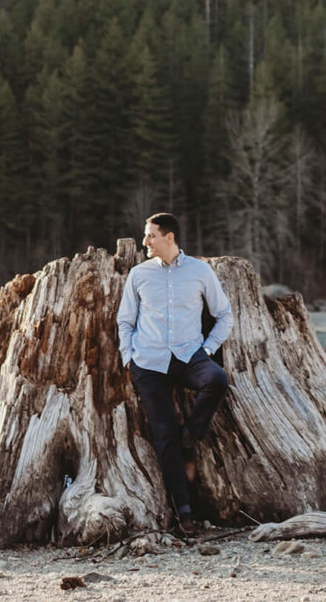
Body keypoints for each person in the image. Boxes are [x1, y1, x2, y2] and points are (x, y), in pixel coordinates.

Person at [116, 211, 233, 535]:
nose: (145, 242)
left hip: (189, 355)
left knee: (216, 380)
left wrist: (208, 349)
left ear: (169, 237)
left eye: (150, 235)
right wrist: (129, 357)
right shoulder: (139, 274)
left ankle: (191, 434)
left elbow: (224, 315)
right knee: (163, 437)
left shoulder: (199, 271)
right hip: (149, 363)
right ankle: (184, 512)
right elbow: (125, 320)